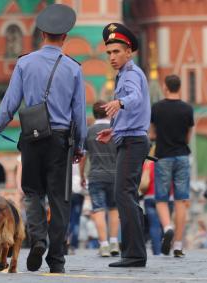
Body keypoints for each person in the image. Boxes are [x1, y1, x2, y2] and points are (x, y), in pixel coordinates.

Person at [0, 3, 86, 273]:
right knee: (60, 200)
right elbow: (79, 114)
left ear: (41, 35)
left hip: (32, 138)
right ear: (64, 37)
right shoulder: (74, 69)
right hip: (61, 141)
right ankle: (57, 259)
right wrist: (80, 145)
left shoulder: (25, 63)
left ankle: (38, 239)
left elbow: (10, 104)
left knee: (33, 194)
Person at [97, 23, 151, 267]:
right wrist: (114, 129)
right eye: (108, 53)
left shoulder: (130, 74)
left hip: (132, 142)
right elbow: (135, 106)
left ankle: (134, 254)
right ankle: (134, 252)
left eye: (117, 51)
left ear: (129, 51)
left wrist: (119, 103)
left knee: (123, 194)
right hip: (128, 137)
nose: (112, 57)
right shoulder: (127, 74)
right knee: (127, 195)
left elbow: (135, 98)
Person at [151, 74, 194, 257]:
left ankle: (167, 226)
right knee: (181, 200)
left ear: (165, 87)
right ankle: (177, 244)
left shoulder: (157, 108)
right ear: (180, 87)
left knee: (161, 199)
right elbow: (188, 136)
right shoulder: (187, 109)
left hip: (163, 157)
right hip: (182, 156)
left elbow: (152, 134)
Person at [80, 100, 120, 257]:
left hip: (96, 175)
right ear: (109, 112)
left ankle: (103, 245)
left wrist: (82, 175)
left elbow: (83, 156)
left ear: (94, 114)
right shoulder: (115, 130)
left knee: (98, 209)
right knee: (114, 208)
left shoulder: (89, 132)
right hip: (115, 174)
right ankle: (114, 242)